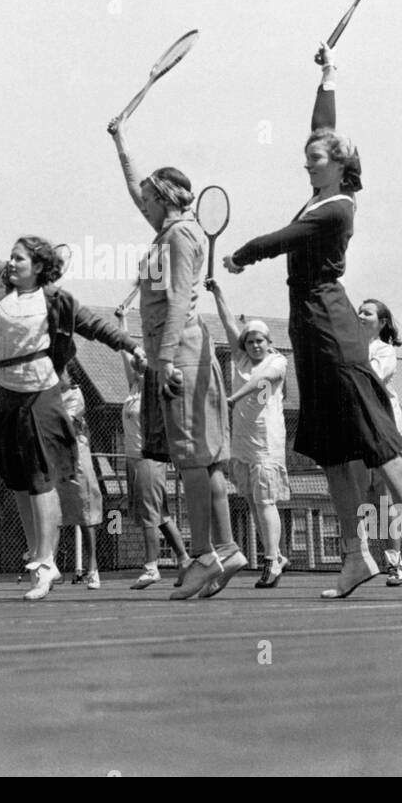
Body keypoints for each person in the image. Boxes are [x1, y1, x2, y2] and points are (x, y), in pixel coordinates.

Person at [222, 46, 402, 600]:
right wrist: (327, 76)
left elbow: (282, 240)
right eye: (308, 158)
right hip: (307, 328)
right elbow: (323, 128)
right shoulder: (320, 191)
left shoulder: (338, 207)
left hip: (332, 323)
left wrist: (242, 254)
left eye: (316, 158)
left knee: (375, 436)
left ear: (341, 164)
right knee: (333, 451)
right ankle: (355, 556)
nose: (307, 161)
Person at [0, 180, 143, 601]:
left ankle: (47, 562)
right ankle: (37, 555)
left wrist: (133, 347)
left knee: (43, 481)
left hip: (43, 395)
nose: (11, 263)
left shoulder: (56, 301)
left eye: (20, 259)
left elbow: (97, 327)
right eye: (11, 257)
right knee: (20, 483)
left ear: (39, 267)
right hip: (8, 397)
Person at [107, 122, 241, 601]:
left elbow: (182, 297)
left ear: (162, 198)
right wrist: (121, 140)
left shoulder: (180, 238)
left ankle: (205, 556)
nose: (140, 205)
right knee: (202, 462)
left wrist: (161, 361)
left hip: (178, 353)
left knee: (190, 461)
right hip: (181, 350)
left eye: (147, 200)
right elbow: (133, 187)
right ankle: (225, 550)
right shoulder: (171, 230)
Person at [207, 277, 292, 588]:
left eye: (260, 341)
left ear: (268, 342)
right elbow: (229, 324)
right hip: (243, 443)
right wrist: (218, 294)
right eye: (250, 341)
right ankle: (276, 555)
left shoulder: (278, 361)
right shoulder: (241, 358)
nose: (255, 345)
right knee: (255, 503)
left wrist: (231, 398)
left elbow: (261, 383)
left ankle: (271, 560)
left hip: (267, 443)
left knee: (266, 502)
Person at [114, 304, 191, 589]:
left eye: (143, 357)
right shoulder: (134, 386)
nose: (137, 359)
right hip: (132, 459)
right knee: (161, 516)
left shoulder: (157, 387)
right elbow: (124, 351)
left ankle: (151, 567)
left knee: (150, 515)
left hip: (150, 457)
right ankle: (184, 560)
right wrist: (122, 321)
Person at [357, 298, 402, 587]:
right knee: (361, 497)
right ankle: (358, 560)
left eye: (367, 313)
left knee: (388, 502)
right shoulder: (351, 347)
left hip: (382, 427)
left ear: (382, 322)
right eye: (358, 312)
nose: (360, 316)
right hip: (357, 427)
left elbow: (371, 379)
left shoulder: (384, 350)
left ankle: (396, 562)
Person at [59, 360, 105, 588]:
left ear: (71, 377)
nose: (57, 377)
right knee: (53, 515)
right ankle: (48, 569)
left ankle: (93, 569)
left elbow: (64, 425)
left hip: (77, 456)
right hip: (56, 457)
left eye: (62, 373)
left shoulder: (76, 395)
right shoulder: (49, 396)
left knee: (88, 514)